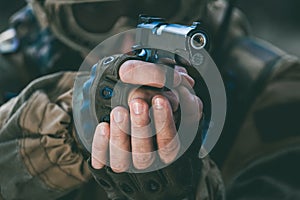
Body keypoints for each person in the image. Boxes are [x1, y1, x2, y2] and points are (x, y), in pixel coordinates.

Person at [0, 0, 299, 200]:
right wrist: (73, 125)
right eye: (95, 12)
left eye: (158, 2)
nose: (130, 41)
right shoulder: (11, 68)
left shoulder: (271, 88)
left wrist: (187, 185)